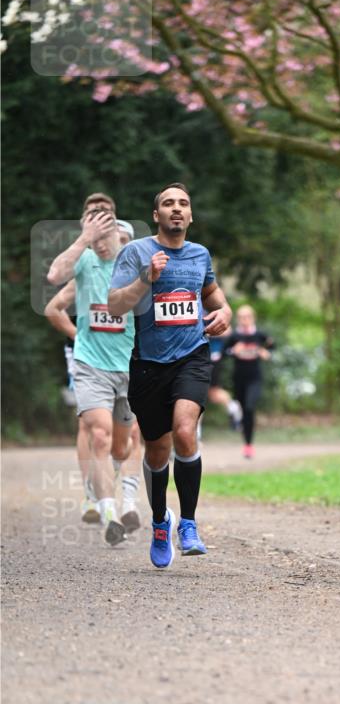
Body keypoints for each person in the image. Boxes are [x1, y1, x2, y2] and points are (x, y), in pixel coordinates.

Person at [108, 183, 232, 568]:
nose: (176, 209)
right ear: (156, 215)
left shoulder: (200, 255)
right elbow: (114, 306)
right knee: (157, 451)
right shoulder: (136, 252)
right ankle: (161, 521)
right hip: (148, 365)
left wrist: (225, 311)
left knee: (184, 431)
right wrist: (146, 277)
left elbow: (212, 294)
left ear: (190, 215)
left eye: (183, 204)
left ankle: (189, 524)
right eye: (168, 204)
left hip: (192, 356)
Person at [46, 195, 140, 545]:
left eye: (104, 237)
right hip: (91, 365)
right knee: (97, 434)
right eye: (94, 238)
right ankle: (109, 513)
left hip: (129, 367)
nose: (100, 245)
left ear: (116, 231)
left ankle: (106, 486)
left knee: (122, 447)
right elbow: (54, 275)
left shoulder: (133, 260)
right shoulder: (85, 259)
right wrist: (84, 239)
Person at [221, 305, 273, 459]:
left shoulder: (259, 335)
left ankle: (249, 445)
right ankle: (246, 442)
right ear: (238, 319)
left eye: (247, 316)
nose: (244, 320)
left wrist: (266, 353)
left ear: (253, 318)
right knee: (244, 410)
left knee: (250, 408)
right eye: (241, 317)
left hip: (255, 378)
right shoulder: (234, 336)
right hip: (239, 380)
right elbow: (223, 353)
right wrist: (233, 351)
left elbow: (272, 346)